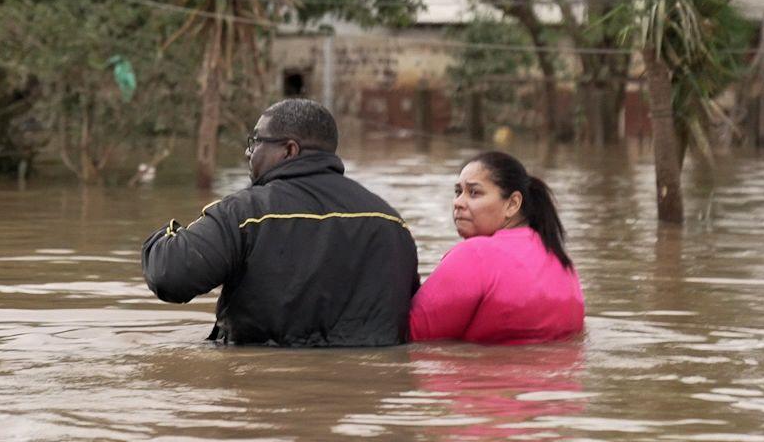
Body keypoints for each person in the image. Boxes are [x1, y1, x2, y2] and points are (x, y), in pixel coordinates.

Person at [140, 98, 418, 347]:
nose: (249, 153)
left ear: (289, 150)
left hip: (263, 389)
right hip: (362, 396)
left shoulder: (246, 212)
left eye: (256, 141)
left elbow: (170, 275)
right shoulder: (391, 222)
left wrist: (162, 238)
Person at [408, 151, 584, 344]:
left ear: (512, 204)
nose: (457, 203)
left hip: (481, 373)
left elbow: (408, 335)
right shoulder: (563, 262)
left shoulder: (475, 254)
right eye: (458, 192)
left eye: (474, 192)